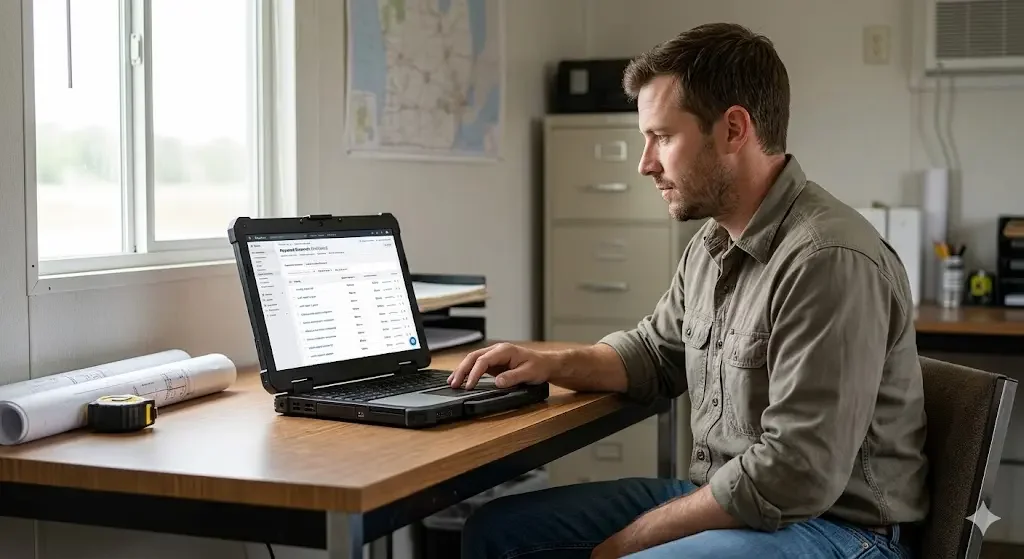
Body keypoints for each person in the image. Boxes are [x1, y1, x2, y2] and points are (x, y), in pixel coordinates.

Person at [447, 21, 930, 559]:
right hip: (730, 500)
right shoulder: (712, 242)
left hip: (836, 529)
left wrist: (629, 541)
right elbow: (655, 354)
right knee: (496, 531)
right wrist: (551, 364)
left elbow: (796, 474)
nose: (645, 163)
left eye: (662, 137)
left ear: (733, 130)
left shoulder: (827, 259)